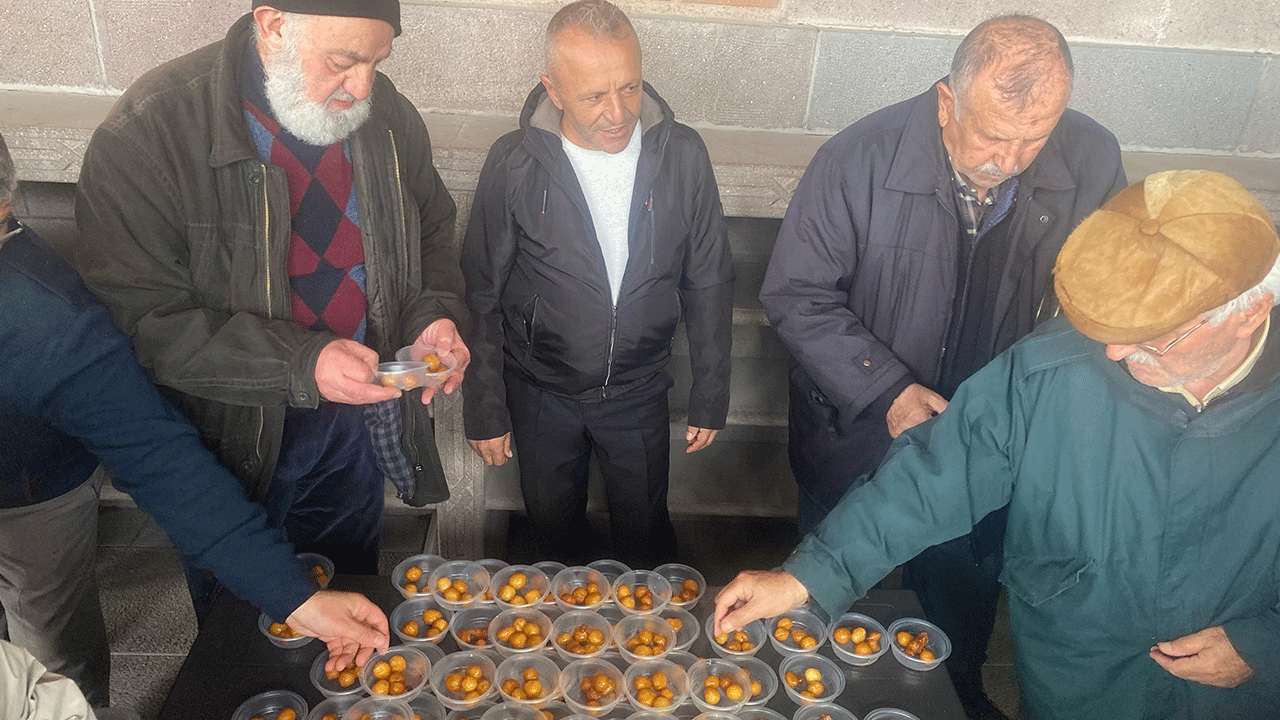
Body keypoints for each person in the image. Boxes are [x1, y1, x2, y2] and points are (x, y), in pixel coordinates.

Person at [717, 169, 1280, 720]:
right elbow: (937, 476)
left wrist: (1265, 644)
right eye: (1106, 329)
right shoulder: (1051, 367)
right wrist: (808, 576)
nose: (1112, 355)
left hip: (1238, 699)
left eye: (1152, 336)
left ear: (1250, 311)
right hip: (1079, 677)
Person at [757, 16, 1126, 717]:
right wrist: (887, 389)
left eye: (1034, 137)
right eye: (992, 135)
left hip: (987, 444)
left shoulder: (1092, 158)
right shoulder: (856, 159)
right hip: (857, 433)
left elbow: (1106, 302)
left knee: (956, 622)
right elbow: (797, 294)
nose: (1012, 159)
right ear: (945, 100)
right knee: (831, 606)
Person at [64, 0, 469, 619]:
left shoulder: (383, 110)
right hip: (231, 440)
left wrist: (430, 318)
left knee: (350, 604)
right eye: (343, 61)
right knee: (243, 620)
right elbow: (144, 322)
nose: (363, 87)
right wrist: (301, 363)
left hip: (352, 429)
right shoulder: (149, 133)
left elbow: (434, 228)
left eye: (378, 60)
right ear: (274, 25)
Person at [0, 131, 388, 717]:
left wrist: (295, 598)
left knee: (50, 646)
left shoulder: (43, 318)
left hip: (30, 489)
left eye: (5, 223)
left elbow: (165, 464)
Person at [461, 0, 733, 567]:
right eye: (594, 96)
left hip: (638, 389)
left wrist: (711, 391)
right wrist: (484, 405)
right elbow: (482, 291)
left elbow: (708, 280)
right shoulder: (514, 163)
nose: (618, 113)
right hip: (540, 391)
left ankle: (649, 643)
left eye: (630, 88)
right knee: (554, 536)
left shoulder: (682, 156)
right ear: (553, 90)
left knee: (646, 537)